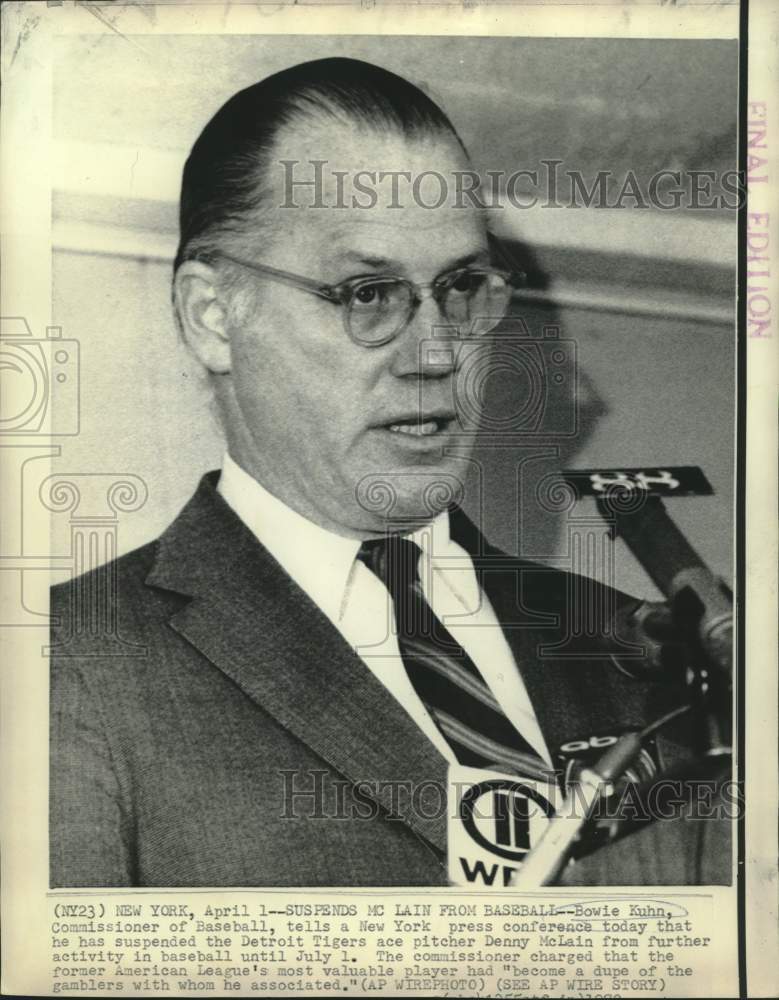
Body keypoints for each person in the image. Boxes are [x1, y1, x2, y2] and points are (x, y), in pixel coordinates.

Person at [50, 57, 729, 888]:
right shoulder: (66, 662)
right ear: (213, 317)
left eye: (461, 287)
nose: (438, 354)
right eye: (367, 293)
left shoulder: (654, 653)